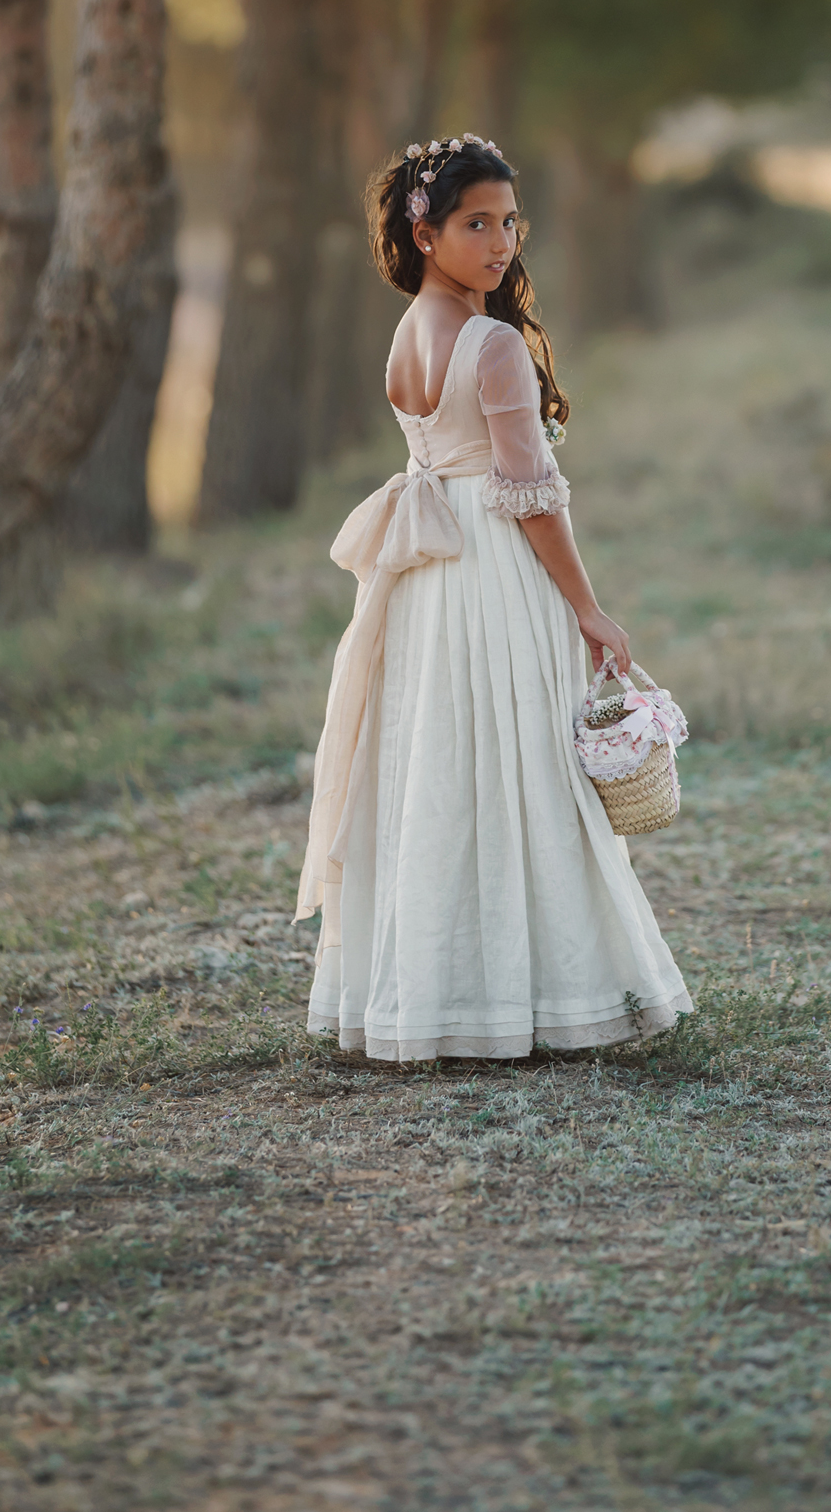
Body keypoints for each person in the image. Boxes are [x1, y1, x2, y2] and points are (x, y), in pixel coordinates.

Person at [298, 133, 691, 1060]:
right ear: (424, 231)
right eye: (478, 223)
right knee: (526, 773)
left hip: (428, 586)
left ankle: (442, 996)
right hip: (492, 575)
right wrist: (589, 609)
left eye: (511, 222)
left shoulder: (408, 334)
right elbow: (531, 499)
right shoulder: (492, 344)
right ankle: (549, 994)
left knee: (441, 773)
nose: (502, 242)